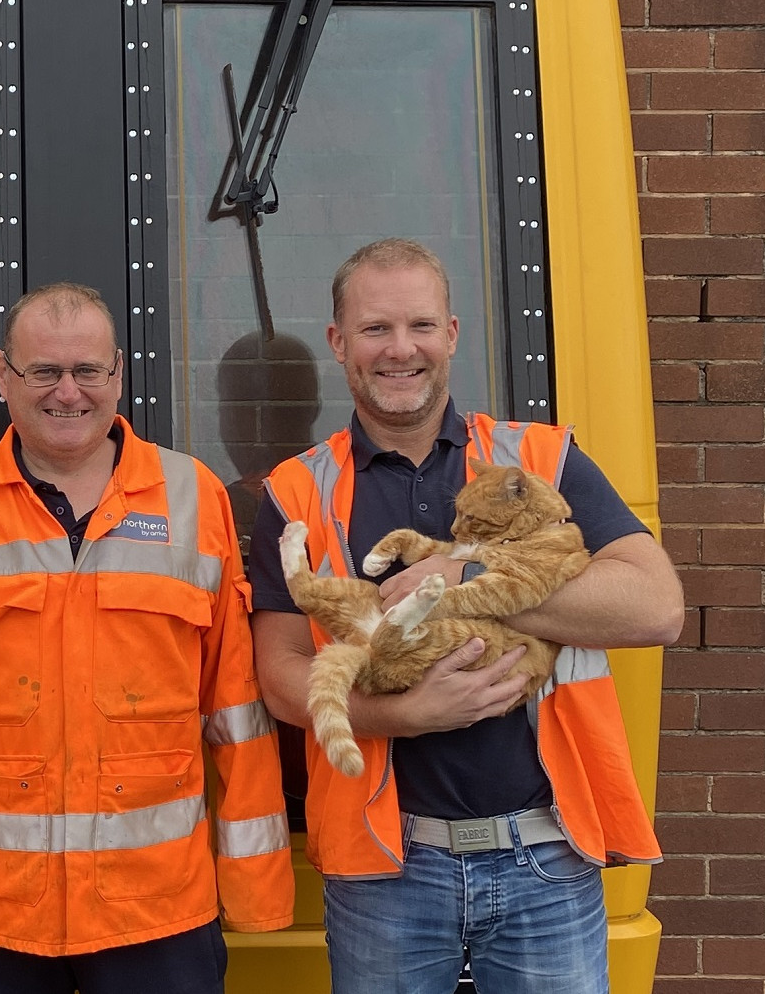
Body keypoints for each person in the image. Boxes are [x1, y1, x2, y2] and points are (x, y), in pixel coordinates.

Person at [246, 238, 685, 993]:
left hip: (546, 856)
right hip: (387, 868)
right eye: (376, 328)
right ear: (339, 341)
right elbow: (280, 674)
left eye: (419, 326)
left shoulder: (539, 460)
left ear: (451, 333)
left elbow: (657, 606)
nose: (400, 349)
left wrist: (469, 574)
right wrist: (404, 713)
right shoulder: (295, 490)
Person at [0, 282, 294, 994]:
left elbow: (237, 710)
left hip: (157, 911)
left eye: (88, 371)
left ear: (117, 374)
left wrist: (254, 887)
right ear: (5, 375)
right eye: (44, 372)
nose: (69, 392)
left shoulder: (194, 497)